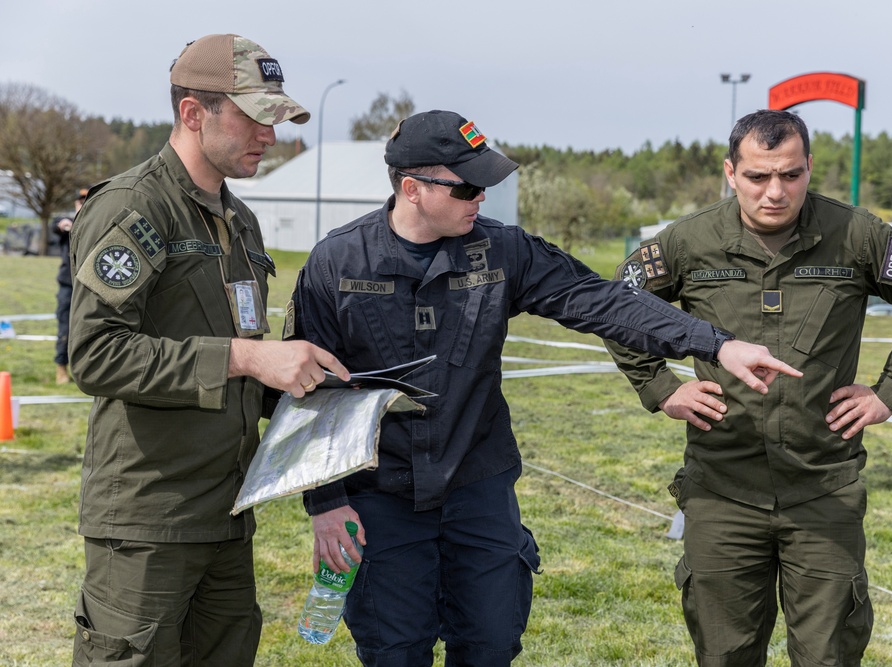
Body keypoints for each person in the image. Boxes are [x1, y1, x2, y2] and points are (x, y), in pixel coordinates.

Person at [287, 109, 801, 667]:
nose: (480, 197)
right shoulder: (335, 264)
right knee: (394, 651)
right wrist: (326, 503)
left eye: (484, 184)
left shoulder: (504, 251)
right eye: (465, 186)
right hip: (378, 494)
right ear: (412, 188)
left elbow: (601, 302)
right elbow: (308, 394)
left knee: (490, 645)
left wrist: (714, 343)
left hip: (476, 490)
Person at [606, 109, 892, 667]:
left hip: (823, 488)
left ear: (809, 168)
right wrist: (659, 386)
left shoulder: (858, 235)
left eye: (791, 175)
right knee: (725, 656)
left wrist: (889, 392)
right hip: (722, 489)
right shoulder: (688, 241)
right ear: (730, 172)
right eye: (758, 176)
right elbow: (618, 306)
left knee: (827, 656)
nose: (775, 191)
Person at [68, 34, 348, 666]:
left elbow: (241, 345)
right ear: (194, 113)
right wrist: (247, 359)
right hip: (148, 519)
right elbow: (95, 353)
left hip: (225, 512)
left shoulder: (238, 220)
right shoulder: (135, 207)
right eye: (255, 117)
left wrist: (307, 377)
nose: (270, 136)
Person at [52, 186, 88, 384]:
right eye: (80, 201)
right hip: (68, 284)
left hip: (89, 285)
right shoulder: (68, 223)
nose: (83, 203)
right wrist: (65, 224)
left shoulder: (96, 221)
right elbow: (57, 225)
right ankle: (61, 369)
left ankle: (84, 371)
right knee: (64, 328)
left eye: (86, 200)